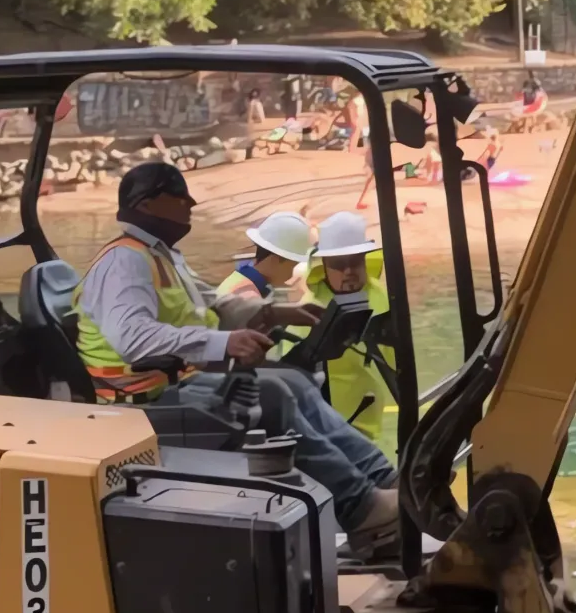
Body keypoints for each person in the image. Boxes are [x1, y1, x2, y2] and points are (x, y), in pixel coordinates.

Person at [72, 163, 400, 552]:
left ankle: (382, 480)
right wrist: (224, 344)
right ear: (151, 203)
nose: (190, 207)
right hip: (140, 402)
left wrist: (274, 313)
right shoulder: (124, 262)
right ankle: (361, 509)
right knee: (271, 399)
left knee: (290, 380)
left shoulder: (158, 256)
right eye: (181, 199)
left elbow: (210, 303)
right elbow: (134, 339)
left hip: (175, 384)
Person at [303, 212, 397, 448]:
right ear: (323, 267)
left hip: (364, 418)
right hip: (320, 422)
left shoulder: (380, 297)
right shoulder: (309, 310)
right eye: (338, 265)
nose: (348, 272)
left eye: (355, 262)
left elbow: (398, 365)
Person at [217, 210, 313, 306]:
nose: (291, 276)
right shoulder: (248, 298)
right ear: (276, 259)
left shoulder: (237, 281)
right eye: (292, 267)